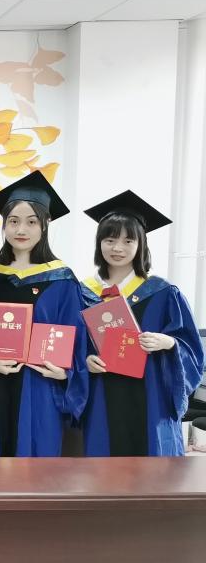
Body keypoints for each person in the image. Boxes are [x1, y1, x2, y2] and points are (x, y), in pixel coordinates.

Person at [80, 190, 204, 456]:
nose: (117, 248)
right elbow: (74, 344)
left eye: (128, 240)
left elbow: (193, 352)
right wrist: (85, 360)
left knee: (152, 468)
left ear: (141, 245)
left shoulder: (163, 293)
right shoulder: (84, 292)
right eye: (110, 239)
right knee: (104, 468)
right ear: (99, 243)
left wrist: (168, 343)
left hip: (151, 396)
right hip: (102, 394)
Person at [0, 171, 88, 457]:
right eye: (13, 221)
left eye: (31, 222)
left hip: (40, 387)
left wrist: (65, 372)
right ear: (4, 225)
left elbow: (77, 339)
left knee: (35, 465)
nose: (21, 229)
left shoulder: (61, 279)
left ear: (45, 225)